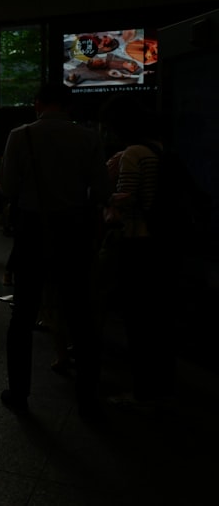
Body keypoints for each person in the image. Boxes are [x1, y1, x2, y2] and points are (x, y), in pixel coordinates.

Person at [0, 83, 107, 418]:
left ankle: (19, 392)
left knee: (23, 315)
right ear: (69, 106)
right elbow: (101, 190)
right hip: (73, 231)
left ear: (39, 104)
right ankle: (87, 396)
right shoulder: (89, 138)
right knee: (79, 313)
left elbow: (8, 188)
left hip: (33, 231)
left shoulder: (21, 135)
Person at [98, 95, 174, 409]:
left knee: (138, 320)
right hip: (163, 242)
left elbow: (126, 198)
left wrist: (106, 190)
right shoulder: (160, 150)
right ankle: (162, 384)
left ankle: (143, 391)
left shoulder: (131, 154)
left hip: (137, 241)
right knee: (157, 319)